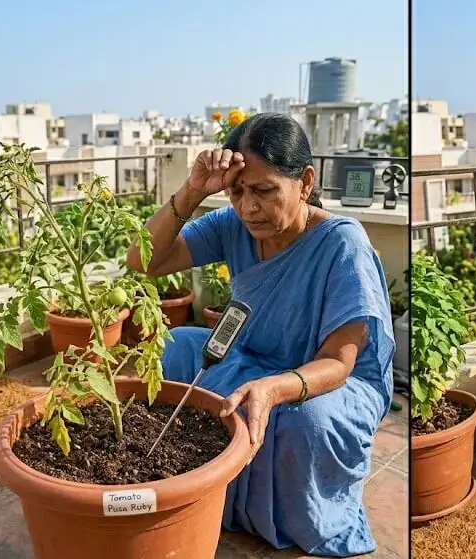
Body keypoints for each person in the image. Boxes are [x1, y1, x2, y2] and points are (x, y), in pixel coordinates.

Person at [125, 113, 394, 557]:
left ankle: (281, 512)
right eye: (237, 191)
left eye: (265, 191)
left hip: (328, 382)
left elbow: (338, 363)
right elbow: (143, 261)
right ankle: (190, 483)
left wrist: (272, 388)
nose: (249, 207)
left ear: (305, 182)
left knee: (305, 423)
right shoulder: (234, 224)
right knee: (173, 349)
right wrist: (193, 191)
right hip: (253, 354)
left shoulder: (342, 243)